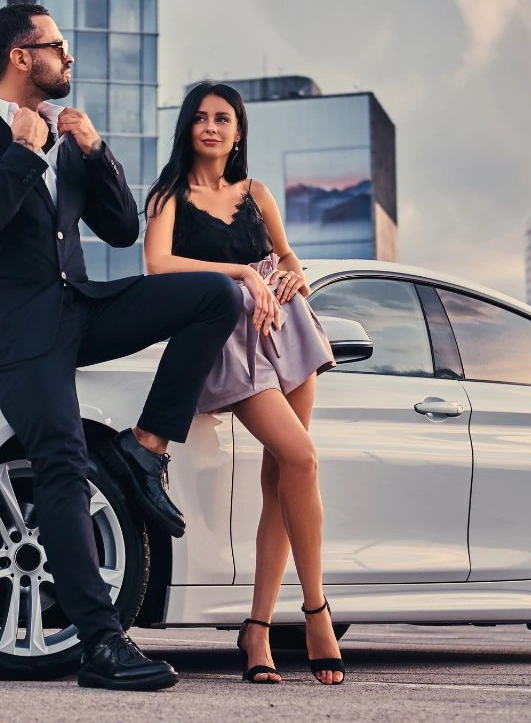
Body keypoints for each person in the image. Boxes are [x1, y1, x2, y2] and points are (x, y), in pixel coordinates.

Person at [0, 5, 241, 691]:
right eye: (58, 47)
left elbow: (124, 230)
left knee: (216, 294)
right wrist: (20, 151)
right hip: (11, 328)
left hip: (77, 307)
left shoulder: (69, 140)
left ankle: (145, 446)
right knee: (63, 457)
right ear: (20, 56)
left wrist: (95, 153)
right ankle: (101, 643)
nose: (69, 58)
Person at [143, 82, 345, 686]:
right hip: (230, 338)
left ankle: (257, 629)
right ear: (188, 128)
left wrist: (286, 279)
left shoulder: (256, 193)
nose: (211, 127)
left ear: (238, 132)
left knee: (282, 475)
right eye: (201, 118)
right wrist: (241, 273)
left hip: (288, 330)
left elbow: (288, 260)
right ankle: (315, 612)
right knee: (302, 457)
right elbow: (158, 266)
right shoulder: (168, 197)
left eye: (223, 118)